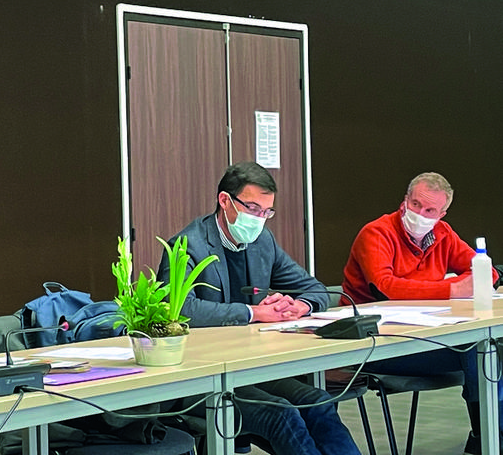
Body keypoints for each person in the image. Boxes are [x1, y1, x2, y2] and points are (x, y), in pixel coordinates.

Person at [158, 161, 360, 455]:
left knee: (318, 403)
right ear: (225, 200)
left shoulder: (262, 241)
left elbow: (315, 289)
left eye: (267, 212)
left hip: (251, 368)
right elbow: (177, 311)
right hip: (204, 378)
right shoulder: (188, 245)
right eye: (253, 209)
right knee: (281, 413)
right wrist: (253, 313)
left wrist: (298, 306)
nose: (259, 219)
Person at [341, 172, 501, 455]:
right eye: (415, 204)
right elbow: (387, 287)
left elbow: (485, 270)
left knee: (490, 346)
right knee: (477, 349)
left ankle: (490, 435)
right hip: (377, 345)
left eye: (429, 210)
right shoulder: (377, 233)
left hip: (426, 335)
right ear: (404, 201)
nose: (420, 213)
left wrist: (466, 282)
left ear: (442, 213)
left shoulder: (443, 233)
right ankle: (487, 436)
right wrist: (453, 289)